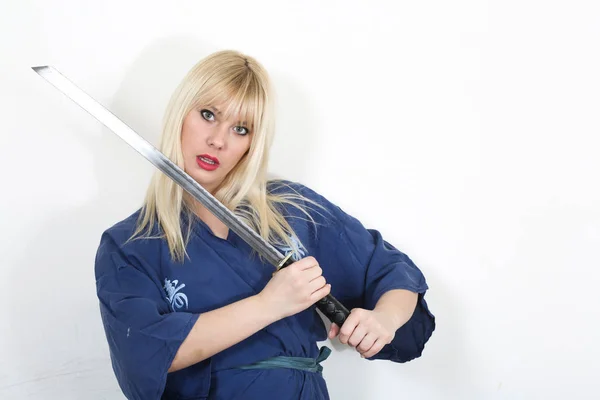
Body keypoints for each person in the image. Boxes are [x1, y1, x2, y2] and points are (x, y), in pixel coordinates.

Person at [94, 50, 435, 400]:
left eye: (240, 129)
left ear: (252, 144)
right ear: (181, 112)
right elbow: (144, 353)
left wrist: (384, 320)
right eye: (208, 115)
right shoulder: (130, 245)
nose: (218, 140)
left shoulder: (292, 209)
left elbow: (392, 271)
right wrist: (269, 304)